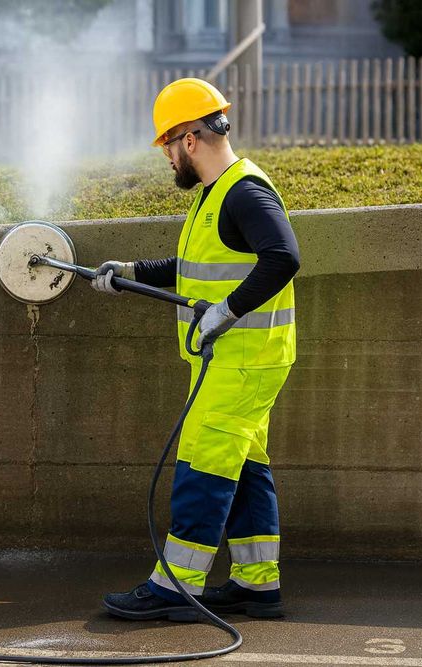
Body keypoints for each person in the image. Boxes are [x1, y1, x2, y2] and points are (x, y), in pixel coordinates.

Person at [96, 78, 300, 622]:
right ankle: (258, 584)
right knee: (245, 466)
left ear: (189, 139)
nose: (166, 158)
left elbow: (283, 257)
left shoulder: (245, 191)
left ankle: (176, 587)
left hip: (242, 361)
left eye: (167, 145)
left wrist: (227, 310)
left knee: (202, 465)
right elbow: (193, 269)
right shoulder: (219, 193)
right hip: (237, 361)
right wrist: (130, 272)